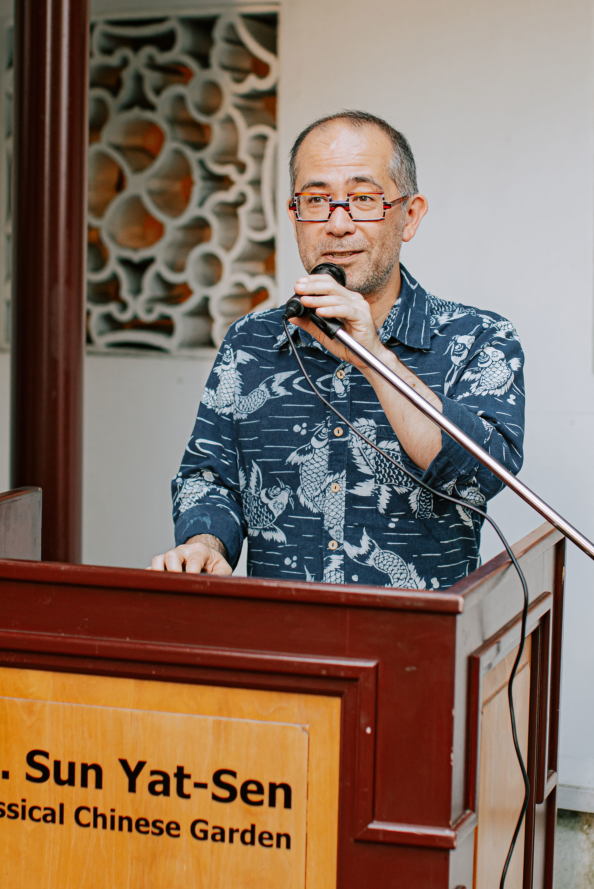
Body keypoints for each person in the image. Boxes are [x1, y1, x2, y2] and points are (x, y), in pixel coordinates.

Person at [149, 110, 524, 590]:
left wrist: (374, 354)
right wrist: (206, 544)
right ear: (294, 217)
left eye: (364, 199)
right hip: (285, 626)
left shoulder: (479, 339)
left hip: (418, 631)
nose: (338, 223)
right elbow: (209, 477)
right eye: (316, 200)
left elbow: (478, 479)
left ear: (409, 216)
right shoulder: (251, 341)